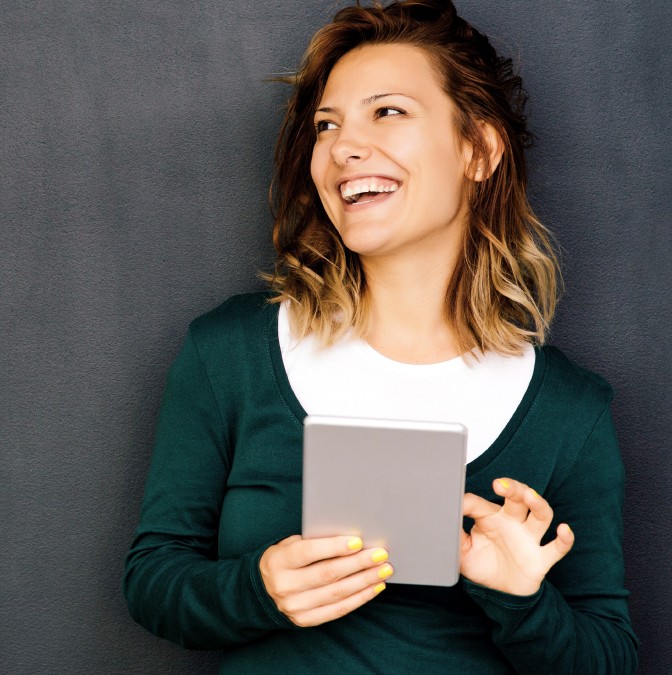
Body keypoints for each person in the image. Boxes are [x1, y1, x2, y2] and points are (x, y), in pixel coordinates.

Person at [121, 0, 638, 672]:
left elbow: (611, 657)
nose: (342, 147)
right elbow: (154, 579)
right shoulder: (230, 354)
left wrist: (521, 598)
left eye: (387, 111)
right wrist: (257, 588)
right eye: (326, 125)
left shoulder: (571, 411)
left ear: (478, 149)